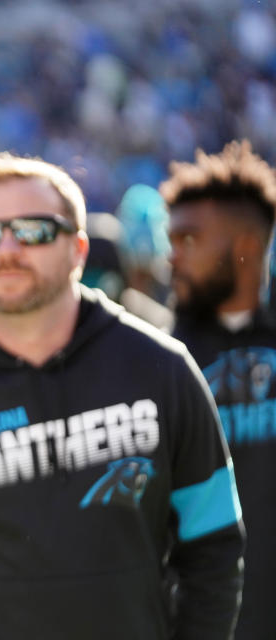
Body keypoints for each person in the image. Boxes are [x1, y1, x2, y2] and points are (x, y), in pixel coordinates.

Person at [0, 152, 244, 639]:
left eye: (33, 230)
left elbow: (215, 543)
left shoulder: (160, 366)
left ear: (78, 249)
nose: (7, 249)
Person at [163, 139, 276, 640]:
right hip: (201, 619)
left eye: (189, 239)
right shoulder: (157, 357)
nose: (172, 257)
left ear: (245, 247)